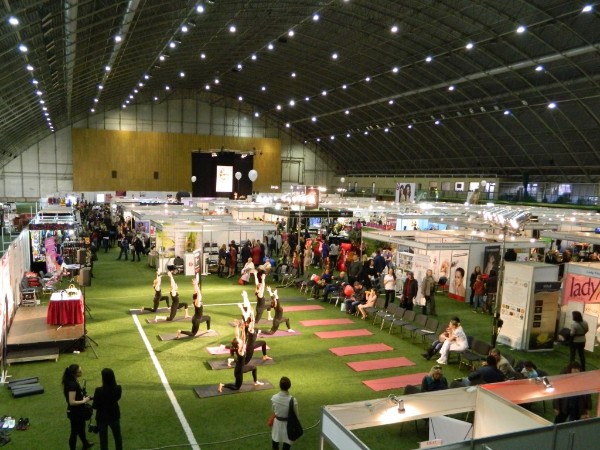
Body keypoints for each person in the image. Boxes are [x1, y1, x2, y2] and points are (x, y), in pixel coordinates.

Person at [62, 364, 94, 450]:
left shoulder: (73, 380)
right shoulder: (72, 385)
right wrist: (84, 401)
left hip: (78, 411)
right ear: (74, 373)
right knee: (74, 432)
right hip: (75, 412)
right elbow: (72, 402)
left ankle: (85, 444)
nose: (81, 372)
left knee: (81, 429)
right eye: (79, 371)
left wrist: (84, 398)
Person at [92, 368, 123, 450]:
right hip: (114, 415)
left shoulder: (98, 390)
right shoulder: (118, 388)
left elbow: (95, 406)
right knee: (118, 437)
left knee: (103, 440)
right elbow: (116, 398)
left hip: (102, 417)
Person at [271, 376, 299, 450]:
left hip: (277, 424)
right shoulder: (293, 400)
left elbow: (273, 411)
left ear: (280, 385)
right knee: (286, 446)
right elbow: (296, 415)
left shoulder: (274, 398)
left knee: (275, 444)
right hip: (288, 425)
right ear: (289, 386)